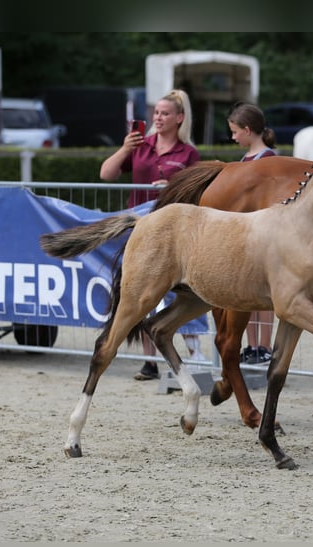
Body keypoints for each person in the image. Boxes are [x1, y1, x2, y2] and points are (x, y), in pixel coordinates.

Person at [99, 88, 206, 380]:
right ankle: (150, 362)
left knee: (179, 292)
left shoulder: (189, 153)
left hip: (172, 234)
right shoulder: (140, 146)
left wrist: (170, 185)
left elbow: (196, 191)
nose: (158, 118)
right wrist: (124, 148)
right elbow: (106, 174)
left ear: (179, 118)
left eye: (165, 113)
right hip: (140, 230)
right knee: (141, 294)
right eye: (156, 113)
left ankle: (193, 354)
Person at [227, 101, 277, 364]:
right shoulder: (244, 159)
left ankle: (265, 345)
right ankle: (252, 344)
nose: (233, 137)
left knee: (264, 295)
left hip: (263, 233)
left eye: (235, 131)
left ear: (247, 130)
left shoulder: (268, 159)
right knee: (246, 293)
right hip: (245, 232)